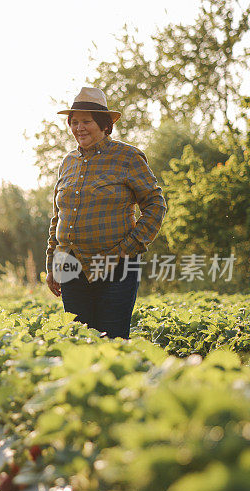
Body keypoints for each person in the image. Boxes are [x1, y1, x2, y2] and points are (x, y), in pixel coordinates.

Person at [46, 87, 167, 338]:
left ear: (103, 124)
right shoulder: (68, 162)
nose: (79, 128)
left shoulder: (128, 157)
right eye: (74, 122)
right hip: (69, 265)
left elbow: (156, 204)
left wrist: (128, 248)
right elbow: (58, 216)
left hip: (117, 265)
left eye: (86, 121)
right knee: (80, 341)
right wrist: (52, 264)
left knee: (112, 341)